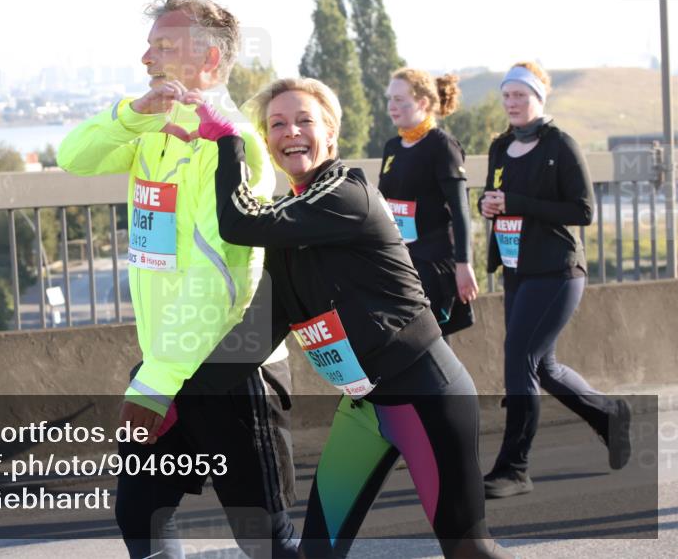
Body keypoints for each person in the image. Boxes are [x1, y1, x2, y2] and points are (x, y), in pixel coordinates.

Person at [180, 77, 511, 558]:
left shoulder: (347, 194)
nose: (290, 131)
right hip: (363, 407)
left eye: (303, 121)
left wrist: (228, 138)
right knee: (318, 553)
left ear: (330, 134)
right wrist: (174, 397)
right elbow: (256, 337)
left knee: (468, 551)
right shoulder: (291, 220)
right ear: (269, 143)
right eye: (276, 124)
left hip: (425, 395)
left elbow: (238, 223)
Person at [56, 0, 297, 558]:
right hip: (168, 358)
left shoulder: (234, 141)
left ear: (210, 62)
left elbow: (222, 278)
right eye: (150, 45)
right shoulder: (154, 125)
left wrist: (157, 381)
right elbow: (74, 156)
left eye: (163, 47)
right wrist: (131, 113)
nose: (146, 58)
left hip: (229, 364)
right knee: (140, 515)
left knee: (266, 538)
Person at [479, 61, 632, 498]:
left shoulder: (560, 144)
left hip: (557, 271)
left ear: (539, 98)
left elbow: (582, 211)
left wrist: (518, 202)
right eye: (506, 95)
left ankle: (515, 468)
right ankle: (608, 414)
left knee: (518, 358)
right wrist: (488, 207)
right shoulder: (500, 146)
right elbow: (497, 199)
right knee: (542, 367)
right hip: (516, 268)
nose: (511, 103)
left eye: (520, 95)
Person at [379, 69, 477, 340]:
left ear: (422, 103)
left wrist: (463, 264)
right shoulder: (393, 147)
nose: (391, 106)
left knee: (430, 342)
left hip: (433, 262)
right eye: (390, 99)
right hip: (402, 260)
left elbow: (460, 209)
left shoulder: (441, 146)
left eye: (399, 99)